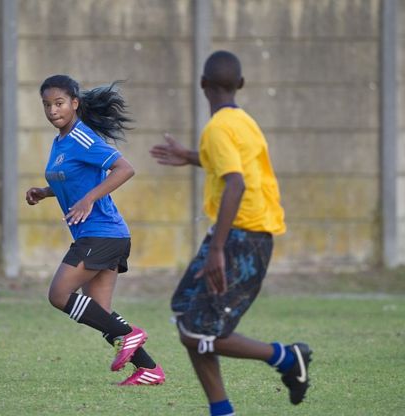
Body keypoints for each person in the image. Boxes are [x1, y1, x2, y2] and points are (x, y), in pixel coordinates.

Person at [150, 51, 311, 415]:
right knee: (185, 315)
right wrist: (190, 156)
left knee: (199, 333)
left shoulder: (218, 127)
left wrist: (218, 249)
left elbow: (235, 183)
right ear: (240, 85)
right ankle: (221, 410)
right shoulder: (243, 123)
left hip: (242, 237)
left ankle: (286, 357)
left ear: (203, 84)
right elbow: (230, 161)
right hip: (241, 235)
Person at [26, 74, 165, 386]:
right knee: (100, 313)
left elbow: (125, 168)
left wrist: (90, 199)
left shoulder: (82, 137)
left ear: (75, 103)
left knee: (59, 294)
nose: (52, 110)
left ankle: (130, 335)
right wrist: (45, 192)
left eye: (59, 103)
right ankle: (149, 370)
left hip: (103, 233)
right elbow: (70, 178)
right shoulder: (60, 141)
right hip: (99, 236)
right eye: (46, 105)